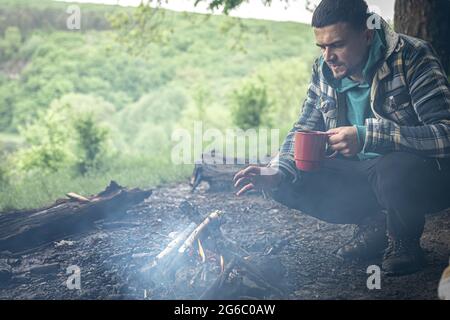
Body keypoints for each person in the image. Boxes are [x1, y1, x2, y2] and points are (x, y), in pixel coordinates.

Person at [234, 0, 450, 276]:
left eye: (337, 45)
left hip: (416, 177)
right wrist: (276, 171)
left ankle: (403, 241)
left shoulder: (412, 56)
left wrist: (368, 136)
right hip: (361, 176)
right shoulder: (324, 71)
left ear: (367, 34)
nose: (328, 56)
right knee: (288, 178)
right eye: (321, 47)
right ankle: (375, 225)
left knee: (394, 167)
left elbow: (445, 133)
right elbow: (304, 128)